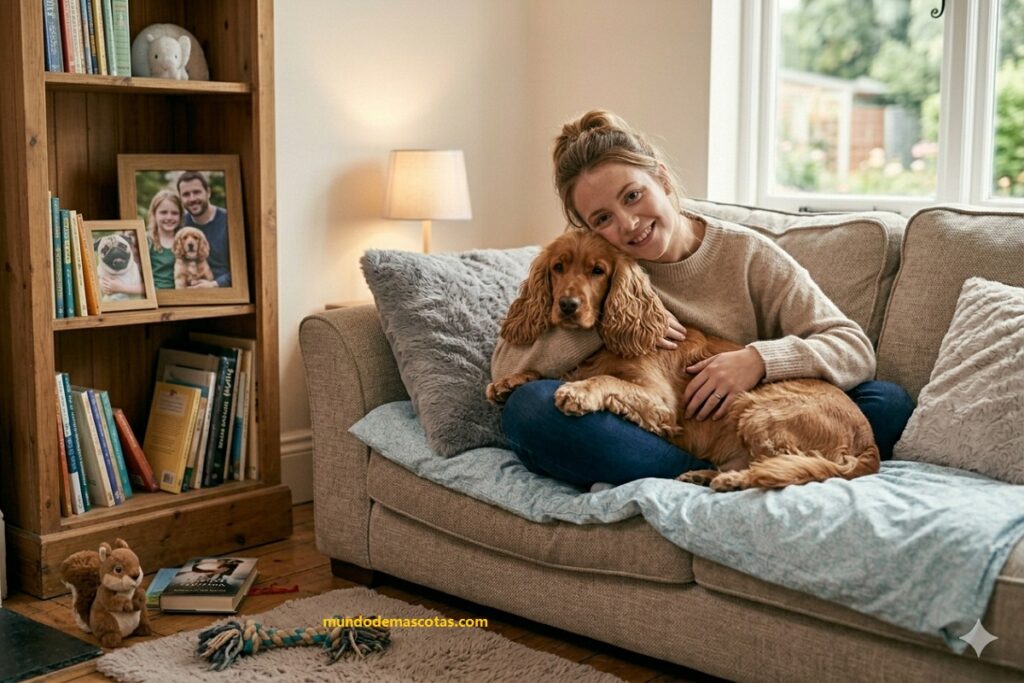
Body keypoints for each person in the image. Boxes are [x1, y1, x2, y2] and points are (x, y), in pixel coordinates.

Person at [493, 110, 914, 490]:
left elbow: (853, 347)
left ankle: (696, 466)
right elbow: (507, 368)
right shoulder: (597, 267)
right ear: (586, 229)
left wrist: (756, 361)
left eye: (633, 195)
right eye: (602, 218)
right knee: (529, 409)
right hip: (677, 421)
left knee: (885, 402)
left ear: (661, 179)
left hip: (757, 406)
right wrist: (606, 319)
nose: (629, 223)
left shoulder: (747, 254)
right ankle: (716, 467)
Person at [177, 171, 231, 288]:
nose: (192, 199)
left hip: (226, 293)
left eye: (196, 192)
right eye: (186, 194)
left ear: (208, 192)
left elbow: (243, 267)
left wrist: (215, 284)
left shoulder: (230, 221)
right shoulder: (181, 225)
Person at [146, 189, 185, 289]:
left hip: (181, 297)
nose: (169, 217)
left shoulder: (185, 240)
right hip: (156, 297)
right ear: (154, 214)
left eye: (174, 213)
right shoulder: (147, 240)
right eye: (163, 212)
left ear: (180, 216)